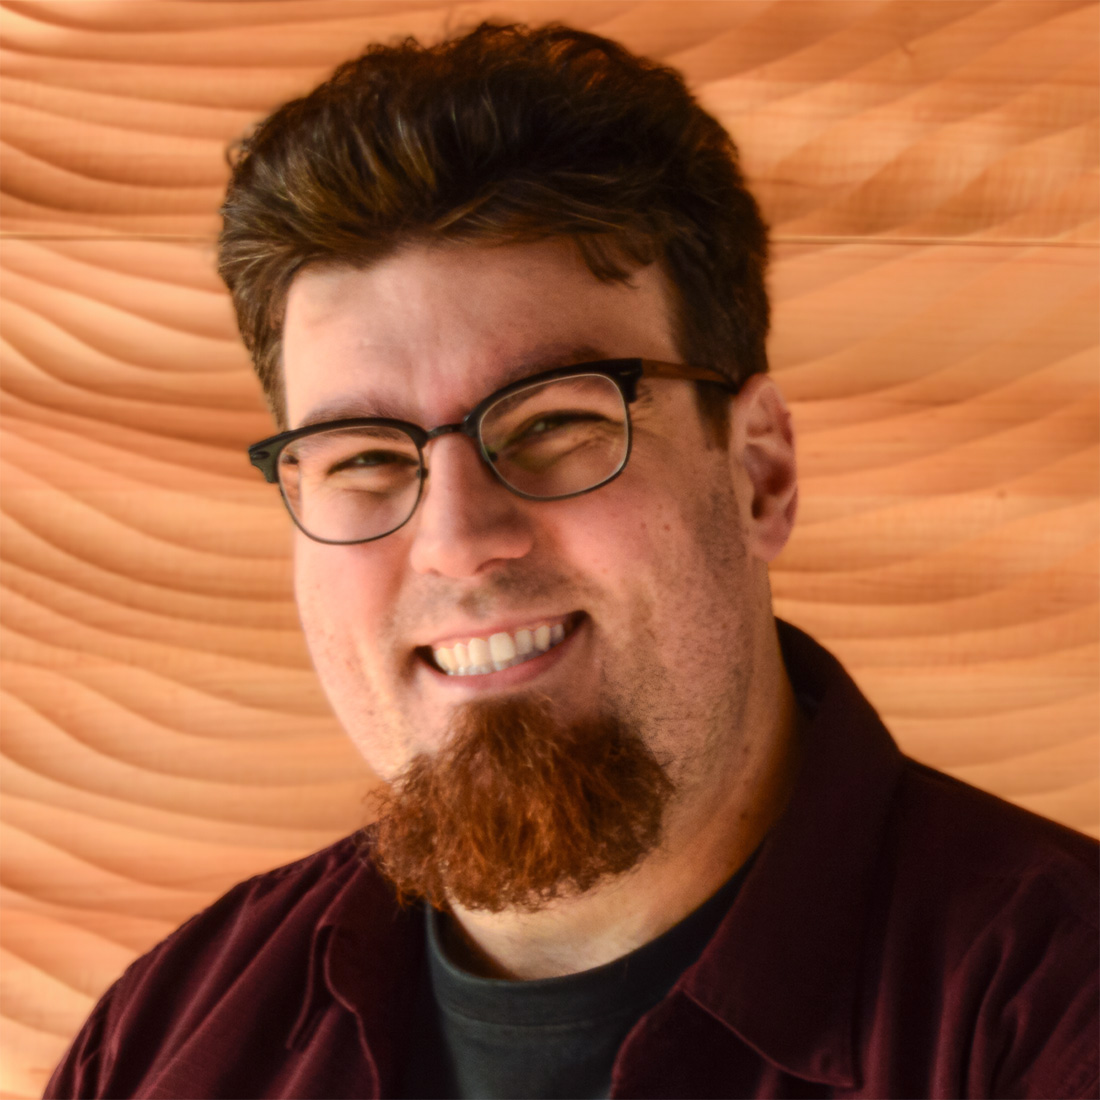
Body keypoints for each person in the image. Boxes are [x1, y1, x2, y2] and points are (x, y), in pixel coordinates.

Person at [45, 22, 1097, 1100]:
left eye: (554, 422)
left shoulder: (1051, 1019)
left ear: (757, 475)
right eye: (363, 456)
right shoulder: (160, 1038)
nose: (456, 538)